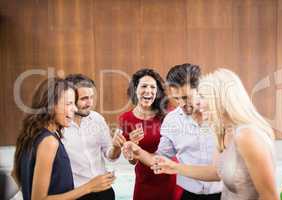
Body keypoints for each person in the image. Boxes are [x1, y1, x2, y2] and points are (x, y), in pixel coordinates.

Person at [151, 69, 279, 200]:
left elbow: (270, 196)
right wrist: (174, 167)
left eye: (202, 96)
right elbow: (216, 172)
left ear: (221, 99)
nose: (198, 103)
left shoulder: (247, 136)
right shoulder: (222, 132)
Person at [122, 64, 222, 200]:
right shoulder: (172, 120)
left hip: (224, 194)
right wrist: (137, 151)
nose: (181, 104)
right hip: (189, 196)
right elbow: (160, 159)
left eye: (186, 97)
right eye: (176, 98)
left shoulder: (222, 116)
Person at [13, 78, 115, 200]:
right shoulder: (49, 142)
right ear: (51, 105)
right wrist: (89, 187)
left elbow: (16, 178)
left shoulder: (32, 135)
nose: (75, 109)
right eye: (69, 103)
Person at [63, 74, 126, 200]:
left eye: (91, 97)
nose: (90, 103)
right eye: (84, 99)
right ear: (69, 99)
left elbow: (110, 156)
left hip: (104, 191)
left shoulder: (97, 119)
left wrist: (116, 147)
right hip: (76, 194)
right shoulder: (58, 128)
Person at [119, 68, 178, 200]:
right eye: (144, 86)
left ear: (157, 92)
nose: (148, 91)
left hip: (170, 177)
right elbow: (132, 161)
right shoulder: (126, 118)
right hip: (144, 181)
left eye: (153, 87)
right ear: (135, 89)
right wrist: (133, 145)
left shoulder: (169, 114)